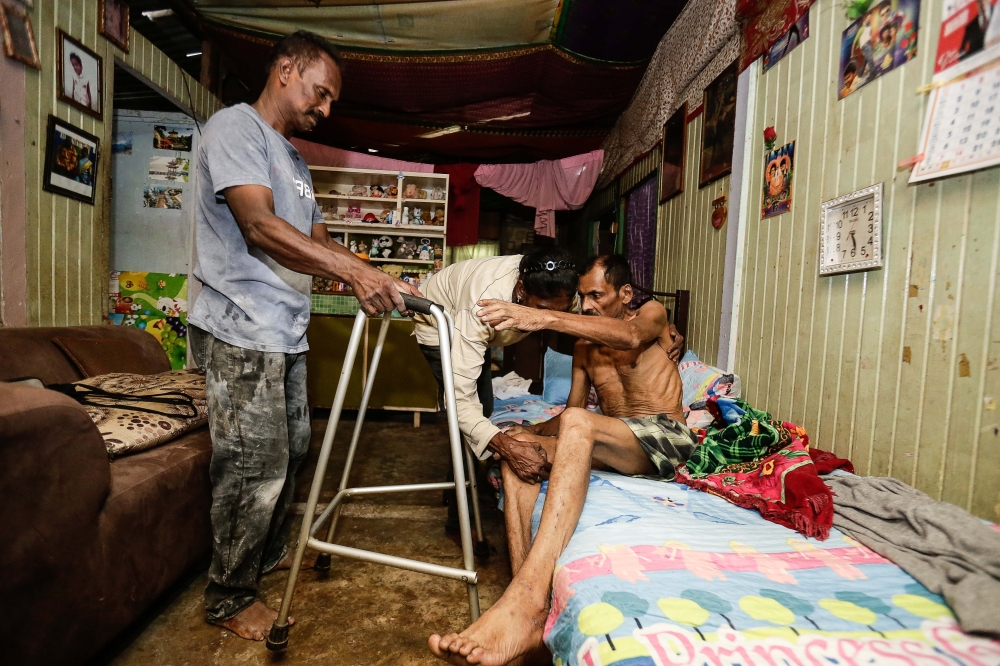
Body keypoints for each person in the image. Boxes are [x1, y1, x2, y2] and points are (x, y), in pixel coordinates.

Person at [187, 30, 419, 642]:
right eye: (321, 94)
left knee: (291, 449)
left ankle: (263, 558)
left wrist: (369, 271)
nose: (325, 109)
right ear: (286, 69)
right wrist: (352, 273)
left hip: (284, 328)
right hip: (240, 326)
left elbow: (315, 243)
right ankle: (229, 596)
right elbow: (259, 226)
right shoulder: (235, 128)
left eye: (331, 102)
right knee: (252, 465)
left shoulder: (290, 156)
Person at [428, 254, 694, 666]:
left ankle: (530, 601)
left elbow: (627, 336)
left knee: (577, 422)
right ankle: (526, 608)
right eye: (582, 297)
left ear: (624, 294)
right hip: (618, 444)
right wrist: (523, 436)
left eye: (596, 296)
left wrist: (543, 320)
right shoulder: (585, 349)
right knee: (516, 448)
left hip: (666, 440)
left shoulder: (652, 313)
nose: (586, 306)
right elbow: (569, 413)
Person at [412, 248, 578, 497]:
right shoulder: (482, 306)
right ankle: (462, 505)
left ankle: (463, 483)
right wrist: (507, 446)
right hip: (440, 321)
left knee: (484, 407)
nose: (548, 320)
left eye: (558, 313)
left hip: (480, 324)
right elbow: (459, 402)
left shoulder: (566, 294)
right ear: (521, 290)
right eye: (542, 310)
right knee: (474, 406)